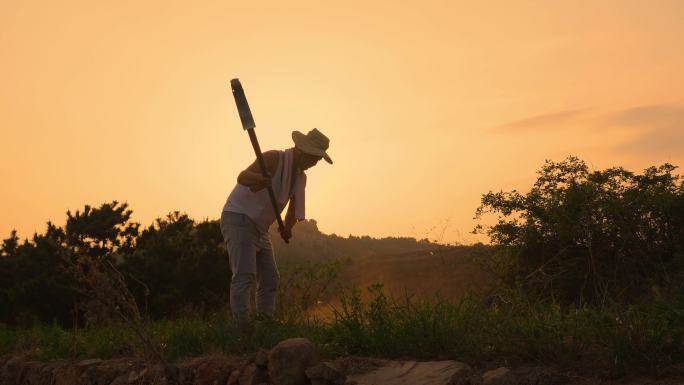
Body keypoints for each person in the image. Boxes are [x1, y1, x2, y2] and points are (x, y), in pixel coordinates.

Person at [220, 128, 332, 326]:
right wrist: (261, 180)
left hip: (260, 228)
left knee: (271, 278)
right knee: (245, 274)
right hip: (239, 218)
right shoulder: (273, 158)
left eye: (317, 160)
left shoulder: (300, 177)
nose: (314, 163)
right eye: (314, 158)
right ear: (301, 150)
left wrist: (287, 229)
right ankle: (242, 329)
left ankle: (265, 323)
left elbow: (292, 209)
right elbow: (243, 177)